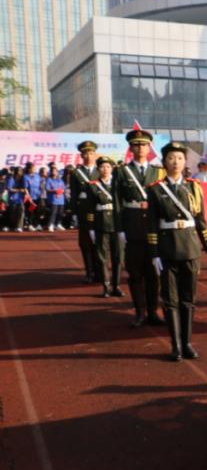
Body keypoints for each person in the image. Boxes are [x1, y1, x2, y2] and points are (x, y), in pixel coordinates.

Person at [147, 142, 207, 360]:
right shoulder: (155, 189)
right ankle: (175, 345)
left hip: (190, 248)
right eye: (171, 158)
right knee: (170, 300)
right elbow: (151, 224)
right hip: (167, 249)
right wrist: (154, 253)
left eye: (179, 158)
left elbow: (201, 219)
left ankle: (187, 343)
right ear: (164, 162)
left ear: (185, 161)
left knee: (188, 299)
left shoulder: (194, 187)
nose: (175, 162)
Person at [117, 129, 166, 327]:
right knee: (135, 273)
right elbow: (117, 201)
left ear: (149, 148)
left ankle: (153, 312)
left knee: (154, 274)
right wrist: (120, 229)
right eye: (136, 145)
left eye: (144, 144)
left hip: (154, 228)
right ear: (130, 148)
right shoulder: (122, 172)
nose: (140, 148)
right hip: (133, 227)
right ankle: (139, 312)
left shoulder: (159, 172)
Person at [84, 157, 124, 298]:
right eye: (102, 167)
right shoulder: (92, 185)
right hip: (101, 225)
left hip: (117, 224)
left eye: (108, 166)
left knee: (118, 257)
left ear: (112, 169)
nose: (105, 169)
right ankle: (106, 286)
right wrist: (91, 227)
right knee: (102, 258)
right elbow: (89, 208)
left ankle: (116, 286)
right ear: (98, 169)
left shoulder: (118, 185)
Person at [71, 141, 102, 283]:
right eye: (86, 153)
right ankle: (89, 272)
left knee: (100, 242)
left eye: (91, 153)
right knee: (86, 243)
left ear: (95, 155)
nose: (88, 156)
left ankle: (100, 272)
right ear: (81, 155)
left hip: (99, 210)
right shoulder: (76, 173)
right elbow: (74, 194)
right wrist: (74, 213)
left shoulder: (101, 170)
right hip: (83, 211)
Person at [44, 166, 66, 231]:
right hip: (53, 199)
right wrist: (55, 191)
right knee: (53, 212)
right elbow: (47, 189)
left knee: (60, 213)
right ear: (50, 172)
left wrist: (61, 191)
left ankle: (58, 224)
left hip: (61, 199)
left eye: (55, 171)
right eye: (52, 171)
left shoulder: (60, 180)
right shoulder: (49, 180)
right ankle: (51, 225)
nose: (54, 172)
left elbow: (63, 188)